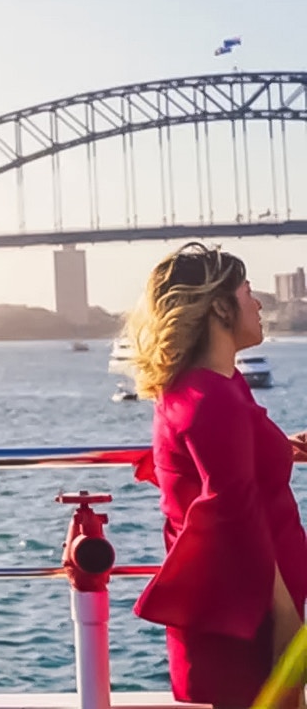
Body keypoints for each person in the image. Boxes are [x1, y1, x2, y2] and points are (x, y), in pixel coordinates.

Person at [128, 242, 307, 708]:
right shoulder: (213, 401)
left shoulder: (212, 385)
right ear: (221, 308)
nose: (259, 303)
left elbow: (221, 461)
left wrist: (278, 448)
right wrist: (288, 635)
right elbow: (236, 520)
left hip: (241, 614)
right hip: (251, 626)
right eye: (248, 292)